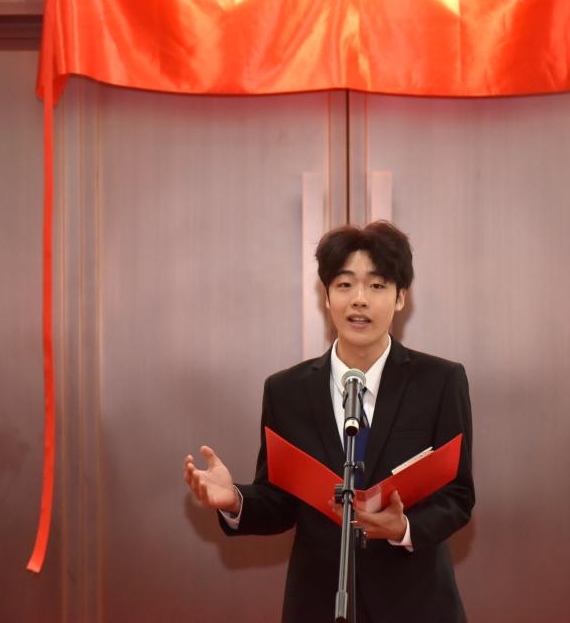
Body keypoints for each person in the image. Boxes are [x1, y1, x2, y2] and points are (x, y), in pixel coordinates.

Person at [184, 221, 474, 622]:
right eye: (344, 285)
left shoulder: (440, 382)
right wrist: (235, 500)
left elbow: (458, 495)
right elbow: (279, 502)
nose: (359, 300)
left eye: (377, 285)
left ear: (401, 297)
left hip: (417, 605)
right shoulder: (287, 391)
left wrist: (404, 527)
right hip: (318, 605)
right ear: (326, 296)